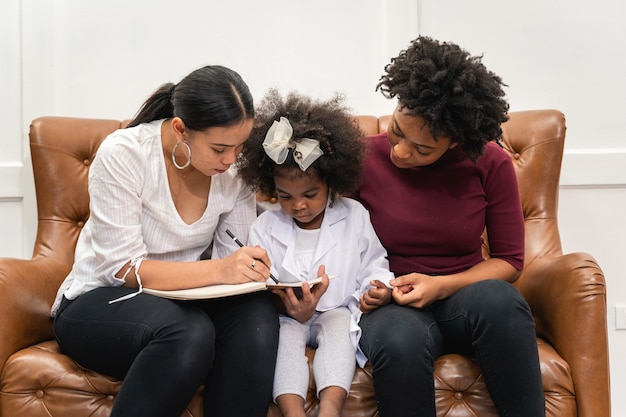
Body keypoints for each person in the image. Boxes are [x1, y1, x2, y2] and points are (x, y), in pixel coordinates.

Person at [51, 65, 280, 417]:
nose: (231, 159)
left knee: (258, 315)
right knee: (188, 331)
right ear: (180, 129)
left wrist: (264, 279)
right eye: (220, 147)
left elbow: (234, 258)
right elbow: (122, 269)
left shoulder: (234, 169)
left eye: (239, 146)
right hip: (100, 301)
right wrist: (221, 269)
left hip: (186, 303)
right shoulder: (124, 154)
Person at [352, 36, 545, 417]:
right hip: (392, 301)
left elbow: (508, 260)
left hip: (462, 297)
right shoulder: (359, 158)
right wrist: (374, 290)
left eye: (423, 150)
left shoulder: (491, 164)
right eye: (397, 131)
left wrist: (440, 285)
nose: (400, 152)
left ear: (457, 142)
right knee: (398, 339)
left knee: (502, 302)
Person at [237, 90, 394, 417]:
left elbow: (374, 265)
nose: (298, 205)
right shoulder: (265, 226)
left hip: (337, 307)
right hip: (285, 315)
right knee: (283, 342)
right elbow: (257, 280)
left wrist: (376, 290)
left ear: (332, 183)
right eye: (285, 196)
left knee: (339, 334)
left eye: (310, 194)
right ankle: (293, 411)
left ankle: (330, 409)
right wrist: (281, 299)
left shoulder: (354, 215)